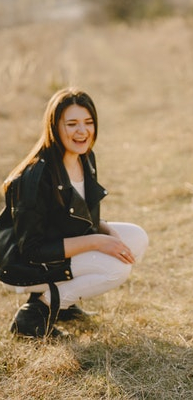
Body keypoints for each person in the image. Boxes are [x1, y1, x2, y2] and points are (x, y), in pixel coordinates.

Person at [0, 87, 149, 338]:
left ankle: (64, 305)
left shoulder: (85, 158)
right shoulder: (36, 176)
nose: (82, 131)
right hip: (23, 264)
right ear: (54, 126)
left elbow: (74, 218)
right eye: (72, 124)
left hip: (55, 250)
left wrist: (107, 232)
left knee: (136, 238)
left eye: (88, 122)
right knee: (116, 269)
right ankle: (38, 310)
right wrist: (98, 241)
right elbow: (32, 250)